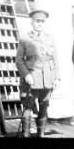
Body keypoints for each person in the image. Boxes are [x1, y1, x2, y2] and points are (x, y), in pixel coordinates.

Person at [16, 9, 60, 138]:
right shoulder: (25, 38)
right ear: (32, 22)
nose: (40, 24)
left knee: (44, 106)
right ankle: (26, 136)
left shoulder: (50, 38)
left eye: (42, 21)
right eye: (37, 21)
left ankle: (41, 135)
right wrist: (26, 75)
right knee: (28, 107)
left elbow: (55, 59)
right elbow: (18, 60)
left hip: (47, 78)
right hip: (31, 78)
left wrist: (57, 78)